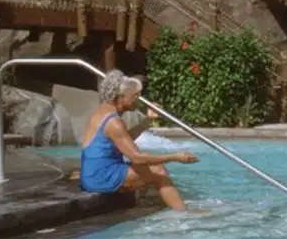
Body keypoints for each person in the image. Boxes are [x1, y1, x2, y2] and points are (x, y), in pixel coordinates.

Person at [79, 71, 198, 209]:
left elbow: (123, 139)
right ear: (121, 97)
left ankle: (170, 207)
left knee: (149, 167)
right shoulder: (114, 121)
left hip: (93, 174)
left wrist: (148, 120)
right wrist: (175, 157)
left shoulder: (103, 111)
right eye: (134, 95)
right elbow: (137, 158)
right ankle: (184, 214)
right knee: (157, 170)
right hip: (100, 178)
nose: (138, 98)